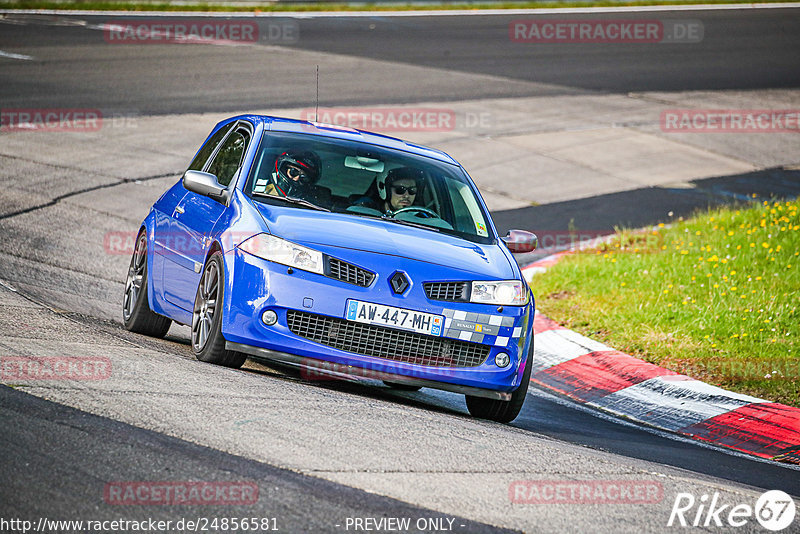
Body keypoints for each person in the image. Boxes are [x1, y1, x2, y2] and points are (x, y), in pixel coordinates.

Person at [252, 150, 329, 205]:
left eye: (303, 177)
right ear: (283, 169)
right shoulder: (258, 193)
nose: (296, 178)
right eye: (293, 172)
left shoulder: (313, 203)